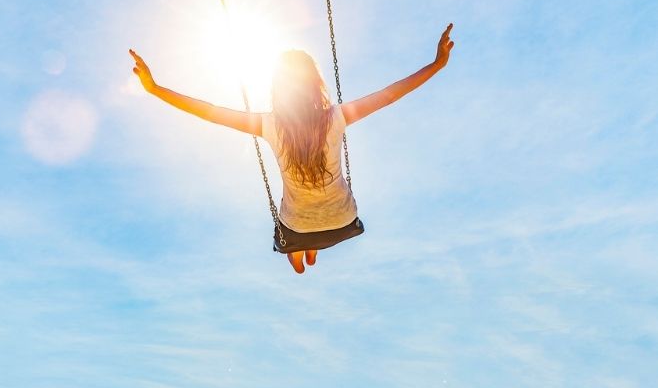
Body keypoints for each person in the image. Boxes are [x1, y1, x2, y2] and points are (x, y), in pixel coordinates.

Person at [129, 23, 454, 274]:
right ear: (316, 85)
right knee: (310, 227)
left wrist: (155, 88)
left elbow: (209, 111)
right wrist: (437, 64)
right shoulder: (336, 117)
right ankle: (311, 248)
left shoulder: (269, 124)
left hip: (296, 226)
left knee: (296, 255)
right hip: (343, 220)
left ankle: (304, 252)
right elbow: (391, 94)